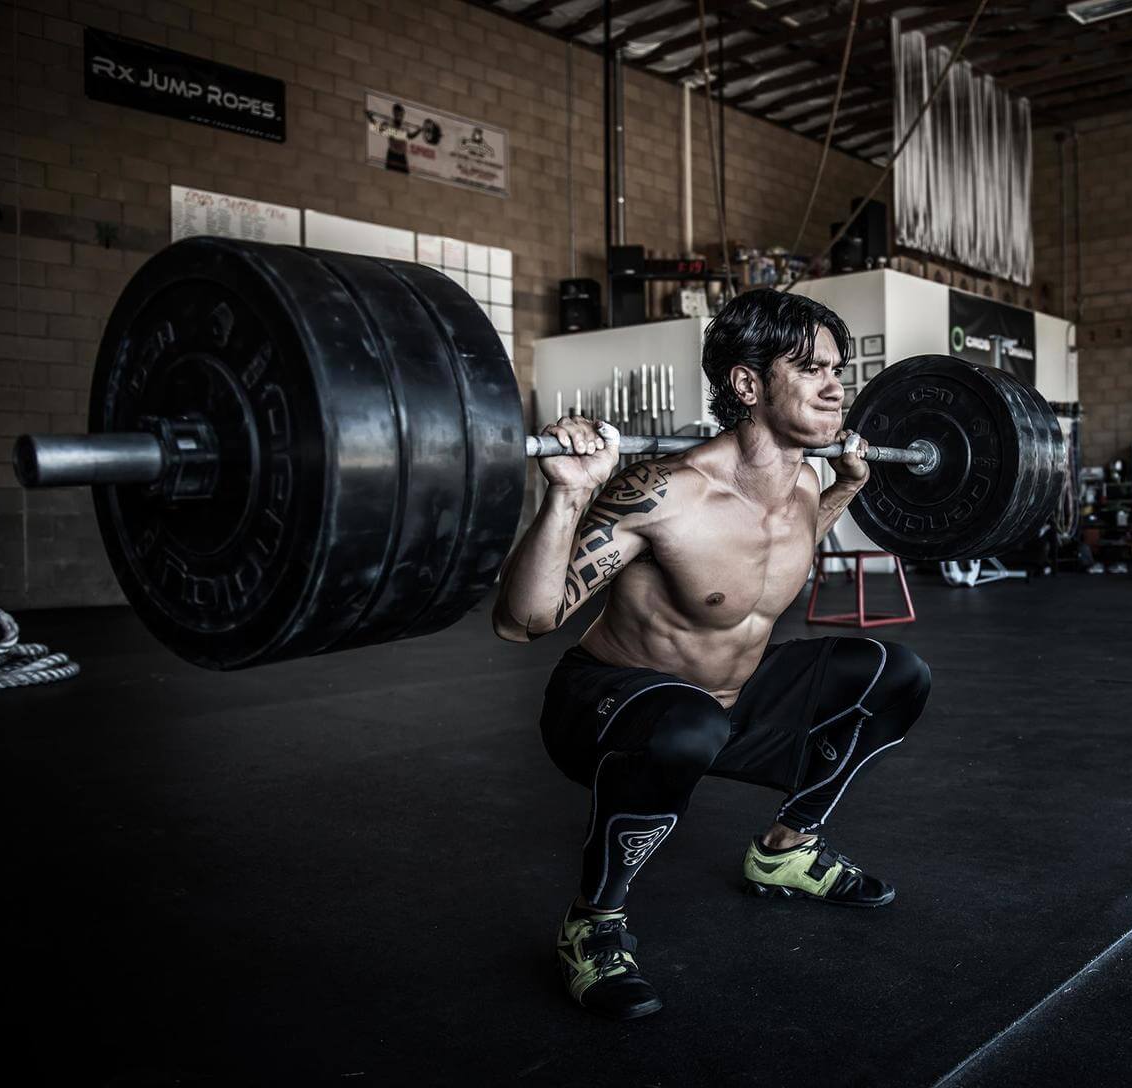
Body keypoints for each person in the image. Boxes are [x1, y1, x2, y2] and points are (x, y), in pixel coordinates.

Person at [492, 290, 932, 1020]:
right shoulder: (664, 493)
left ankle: (787, 849)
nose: (836, 386)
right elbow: (524, 621)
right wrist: (566, 498)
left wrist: (848, 489)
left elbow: (768, 560)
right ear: (749, 384)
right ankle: (592, 925)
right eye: (811, 369)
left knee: (894, 674)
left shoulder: (807, 483)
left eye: (837, 369)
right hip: (611, 705)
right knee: (686, 722)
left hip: (727, 702)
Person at [365, 103, 423, 174]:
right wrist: (370, 118)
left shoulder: (404, 127)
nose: (400, 117)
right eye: (398, 114)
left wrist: (419, 131)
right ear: (394, 114)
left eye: (402, 115)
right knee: (390, 176)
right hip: (392, 154)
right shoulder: (389, 124)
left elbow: (410, 136)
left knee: (405, 178)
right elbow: (379, 129)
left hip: (402, 156)